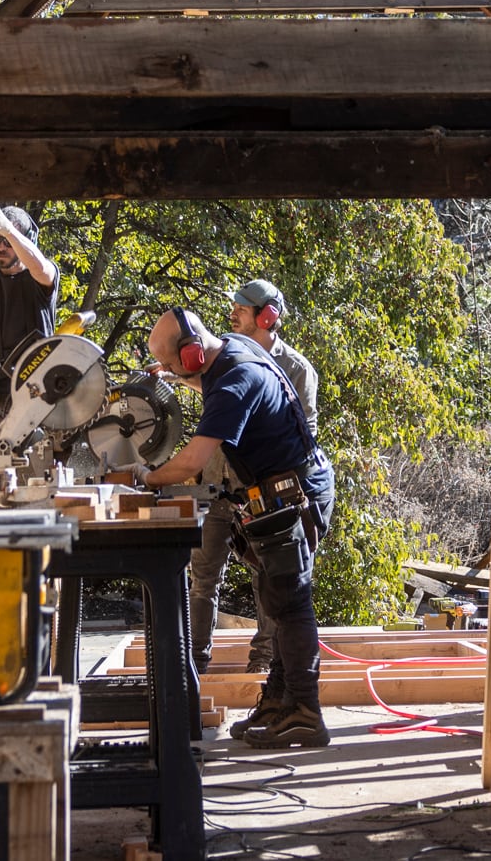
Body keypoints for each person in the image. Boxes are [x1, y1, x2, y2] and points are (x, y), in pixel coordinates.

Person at [142, 305, 334, 750]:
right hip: (286, 489)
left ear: (192, 354)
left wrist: (141, 477)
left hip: (291, 494)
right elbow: (205, 382)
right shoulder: (234, 349)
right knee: (278, 601)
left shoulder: (233, 383)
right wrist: (173, 378)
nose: (174, 370)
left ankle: (306, 712)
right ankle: (281, 701)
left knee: (289, 604)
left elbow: (192, 460)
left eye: (173, 363)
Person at [186, 282, 317, 689]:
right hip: (215, 486)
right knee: (202, 577)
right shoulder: (225, 360)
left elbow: (304, 436)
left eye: (241, 309)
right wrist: (179, 377)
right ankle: (193, 661)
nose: (233, 314)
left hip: (262, 495)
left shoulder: (296, 369)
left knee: (268, 578)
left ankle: (263, 663)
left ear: (268, 316)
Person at [0, 204, 58, 393]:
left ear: (27, 240)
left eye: (8, 241)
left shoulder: (41, 274)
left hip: (37, 389)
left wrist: (7, 229)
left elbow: (42, 269)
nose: (1, 247)